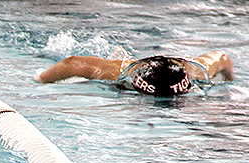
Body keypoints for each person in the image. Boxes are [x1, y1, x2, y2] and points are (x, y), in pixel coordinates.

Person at [36, 49, 234, 96]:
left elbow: (221, 57)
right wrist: (40, 81)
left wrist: (229, 80)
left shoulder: (195, 72)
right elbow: (71, 63)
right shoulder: (115, 72)